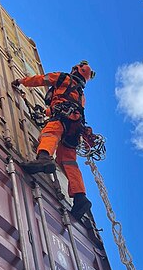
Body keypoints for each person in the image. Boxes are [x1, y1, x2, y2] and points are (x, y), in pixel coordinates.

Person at [12, 61, 95, 220]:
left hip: (61, 118)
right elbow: (70, 104)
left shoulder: (63, 78)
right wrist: (47, 111)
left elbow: (41, 79)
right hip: (75, 127)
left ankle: (43, 158)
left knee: (49, 134)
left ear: (75, 69)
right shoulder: (81, 96)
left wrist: (21, 81)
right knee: (68, 161)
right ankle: (80, 197)